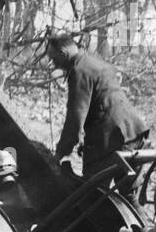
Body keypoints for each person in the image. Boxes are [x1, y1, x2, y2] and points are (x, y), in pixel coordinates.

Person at [47, 31, 149, 200]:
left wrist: (59, 153)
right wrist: (86, 142)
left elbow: (75, 118)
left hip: (114, 139)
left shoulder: (79, 70)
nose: (54, 64)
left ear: (63, 53)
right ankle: (143, 226)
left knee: (91, 194)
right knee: (130, 196)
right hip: (134, 132)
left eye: (54, 59)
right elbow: (102, 104)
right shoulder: (94, 62)